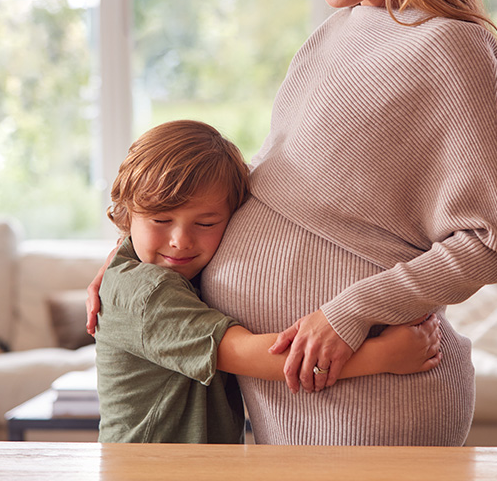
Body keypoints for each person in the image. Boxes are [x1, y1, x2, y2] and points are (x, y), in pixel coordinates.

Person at [89, 0, 497, 446]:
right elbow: (266, 187)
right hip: (290, 398)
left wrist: (349, 313)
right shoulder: (330, 36)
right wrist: (128, 260)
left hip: (378, 398)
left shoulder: (451, 47)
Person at [94, 119, 443, 444]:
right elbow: (250, 355)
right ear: (126, 213)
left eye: (206, 223)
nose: (180, 241)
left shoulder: (157, 269)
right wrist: (384, 356)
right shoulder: (148, 291)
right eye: (160, 220)